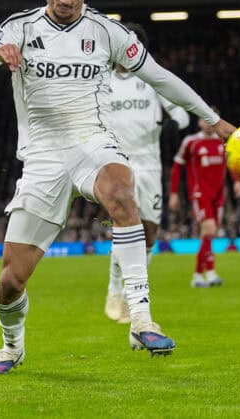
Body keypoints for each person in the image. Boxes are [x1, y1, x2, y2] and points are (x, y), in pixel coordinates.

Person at [0, 0, 236, 372]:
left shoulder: (108, 32)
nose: (66, 0)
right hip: (42, 158)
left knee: (120, 187)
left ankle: (141, 319)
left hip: (92, 142)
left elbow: (160, 77)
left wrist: (213, 118)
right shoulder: (20, 27)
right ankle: (11, 347)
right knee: (10, 281)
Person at [102, 23, 190, 323]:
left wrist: (173, 125)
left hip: (149, 163)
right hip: (116, 163)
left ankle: (129, 291)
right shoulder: (101, 81)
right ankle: (116, 289)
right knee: (126, 227)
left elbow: (181, 111)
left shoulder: (152, 80)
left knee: (150, 233)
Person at [169, 112, 240, 288]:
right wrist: (173, 193)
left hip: (219, 194)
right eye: (205, 119)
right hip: (200, 193)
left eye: (212, 120)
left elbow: (231, 163)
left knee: (210, 234)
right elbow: (177, 166)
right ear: (199, 122)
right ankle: (196, 276)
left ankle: (210, 272)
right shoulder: (191, 142)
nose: (209, 123)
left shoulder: (223, 142)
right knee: (209, 229)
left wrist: (237, 182)